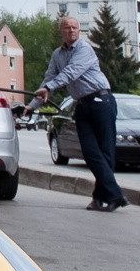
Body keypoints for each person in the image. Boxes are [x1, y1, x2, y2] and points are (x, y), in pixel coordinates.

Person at [42, 13, 125, 211]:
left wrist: (49, 86)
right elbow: (48, 81)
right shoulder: (57, 55)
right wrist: (31, 106)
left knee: (105, 152)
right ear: (61, 31)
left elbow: (71, 73)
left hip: (101, 101)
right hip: (82, 104)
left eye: (75, 28)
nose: (71, 30)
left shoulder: (85, 49)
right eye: (67, 27)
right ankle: (114, 195)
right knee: (90, 153)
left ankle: (102, 198)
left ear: (79, 31)